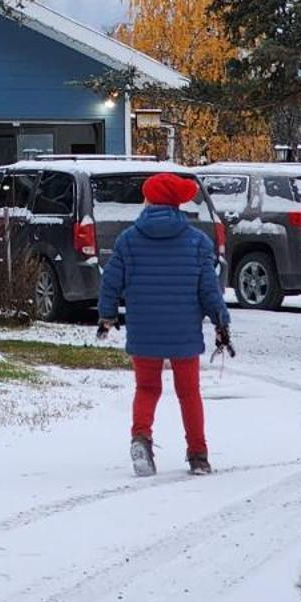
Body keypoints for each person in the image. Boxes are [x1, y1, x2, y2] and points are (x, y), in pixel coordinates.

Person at [96, 170, 234, 476]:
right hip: (184, 330)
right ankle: (198, 455)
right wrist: (221, 324)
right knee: (189, 393)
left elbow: (110, 284)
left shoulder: (128, 240)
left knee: (147, 388)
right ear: (177, 205)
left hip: (144, 330)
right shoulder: (197, 242)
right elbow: (209, 291)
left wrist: (107, 316)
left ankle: (141, 439)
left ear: (149, 201)